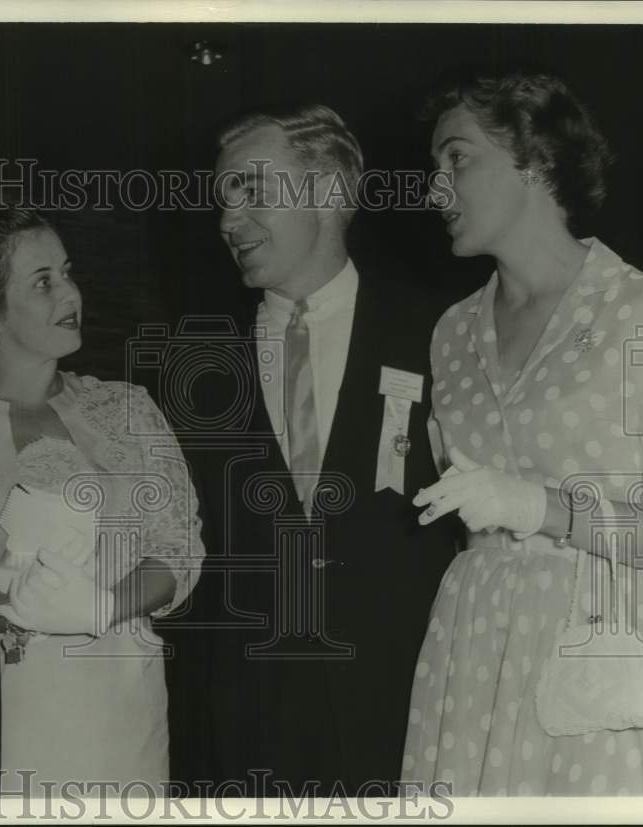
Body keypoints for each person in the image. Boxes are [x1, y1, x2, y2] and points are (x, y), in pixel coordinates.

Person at [404, 70, 643, 795]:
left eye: (457, 159)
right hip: (472, 651)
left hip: (601, 651)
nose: (436, 187)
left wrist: (542, 508)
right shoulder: (451, 332)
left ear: (535, 159)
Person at [179, 104, 458, 796]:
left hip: (411, 719)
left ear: (329, 190)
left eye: (250, 189)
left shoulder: (441, 334)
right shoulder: (194, 365)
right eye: (222, 198)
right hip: (249, 741)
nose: (226, 218)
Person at [0, 208, 204, 791]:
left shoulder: (128, 409)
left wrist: (99, 609)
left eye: (67, 272)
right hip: (2, 712)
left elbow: (178, 549)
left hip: (119, 709)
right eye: (43, 281)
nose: (71, 292)